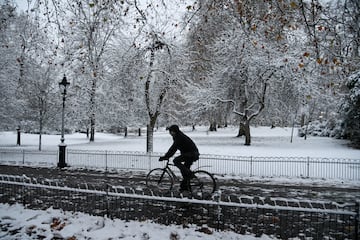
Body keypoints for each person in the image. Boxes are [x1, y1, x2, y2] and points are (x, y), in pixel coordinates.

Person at [159, 125, 200, 191]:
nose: (170, 133)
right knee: (184, 172)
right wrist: (167, 156)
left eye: (171, 131)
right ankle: (184, 187)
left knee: (176, 161)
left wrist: (166, 157)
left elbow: (173, 149)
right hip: (191, 154)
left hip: (191, 154)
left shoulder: (179, 137)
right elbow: (174, 149)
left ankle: (190, 174)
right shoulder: (178, 136)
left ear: (174, 131)